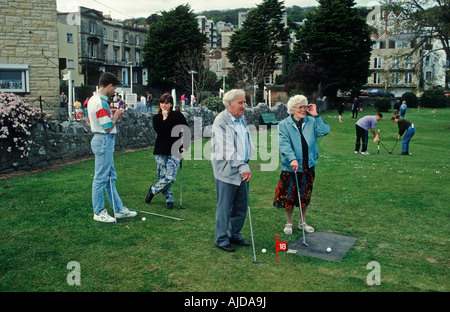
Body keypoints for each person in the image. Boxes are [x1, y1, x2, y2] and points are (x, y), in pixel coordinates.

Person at [273, 95, 330, 235]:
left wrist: (316, 114)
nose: (304, 110)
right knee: (289, 195)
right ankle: (289, 222)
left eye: (305, 107)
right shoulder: (284, 125)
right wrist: (292, 159)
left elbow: (325, 130)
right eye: (300, 107)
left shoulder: (311, 121)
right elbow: (284, 144)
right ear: (292, 110)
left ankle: (302, 222)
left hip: (308, 165)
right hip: (291, 166)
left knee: (305, 195)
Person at [88, 72, 137, 222]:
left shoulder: (94, 99)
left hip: (101, 139)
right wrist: (116, 117)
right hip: (104, 139)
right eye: (114, 88)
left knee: (110, 177)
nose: (114, 92)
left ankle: (118, 209)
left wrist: (111, 114)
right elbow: (108, 126)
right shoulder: (101, 101)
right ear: (109, 86)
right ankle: (99, 212)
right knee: (101, 178)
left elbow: (97, 120)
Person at [211, 89, 255, 252]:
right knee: (225, 206)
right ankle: (221, 239)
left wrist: (247, 158)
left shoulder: (241, 118)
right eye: (240, 102)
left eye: (245, 102)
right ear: (229, 104)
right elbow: (227, 149)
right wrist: (243, 166)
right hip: (227, 170)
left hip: (242, 167)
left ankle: (234, 234)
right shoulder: (220, 121)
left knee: (240, 205)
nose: (244, 106)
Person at [145, 93, 189, 209]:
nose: (164, 105)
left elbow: (186, 129)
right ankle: (169, 200)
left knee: (170, 177)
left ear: (171, 104)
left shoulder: (177, 115)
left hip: (175, 149)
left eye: (167, 103)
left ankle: (153, 190)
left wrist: (184, 144)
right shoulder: (157, 118)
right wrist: (164, 117)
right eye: (162, 103)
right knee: (163, 176)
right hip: (161, 150)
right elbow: (161, 131)